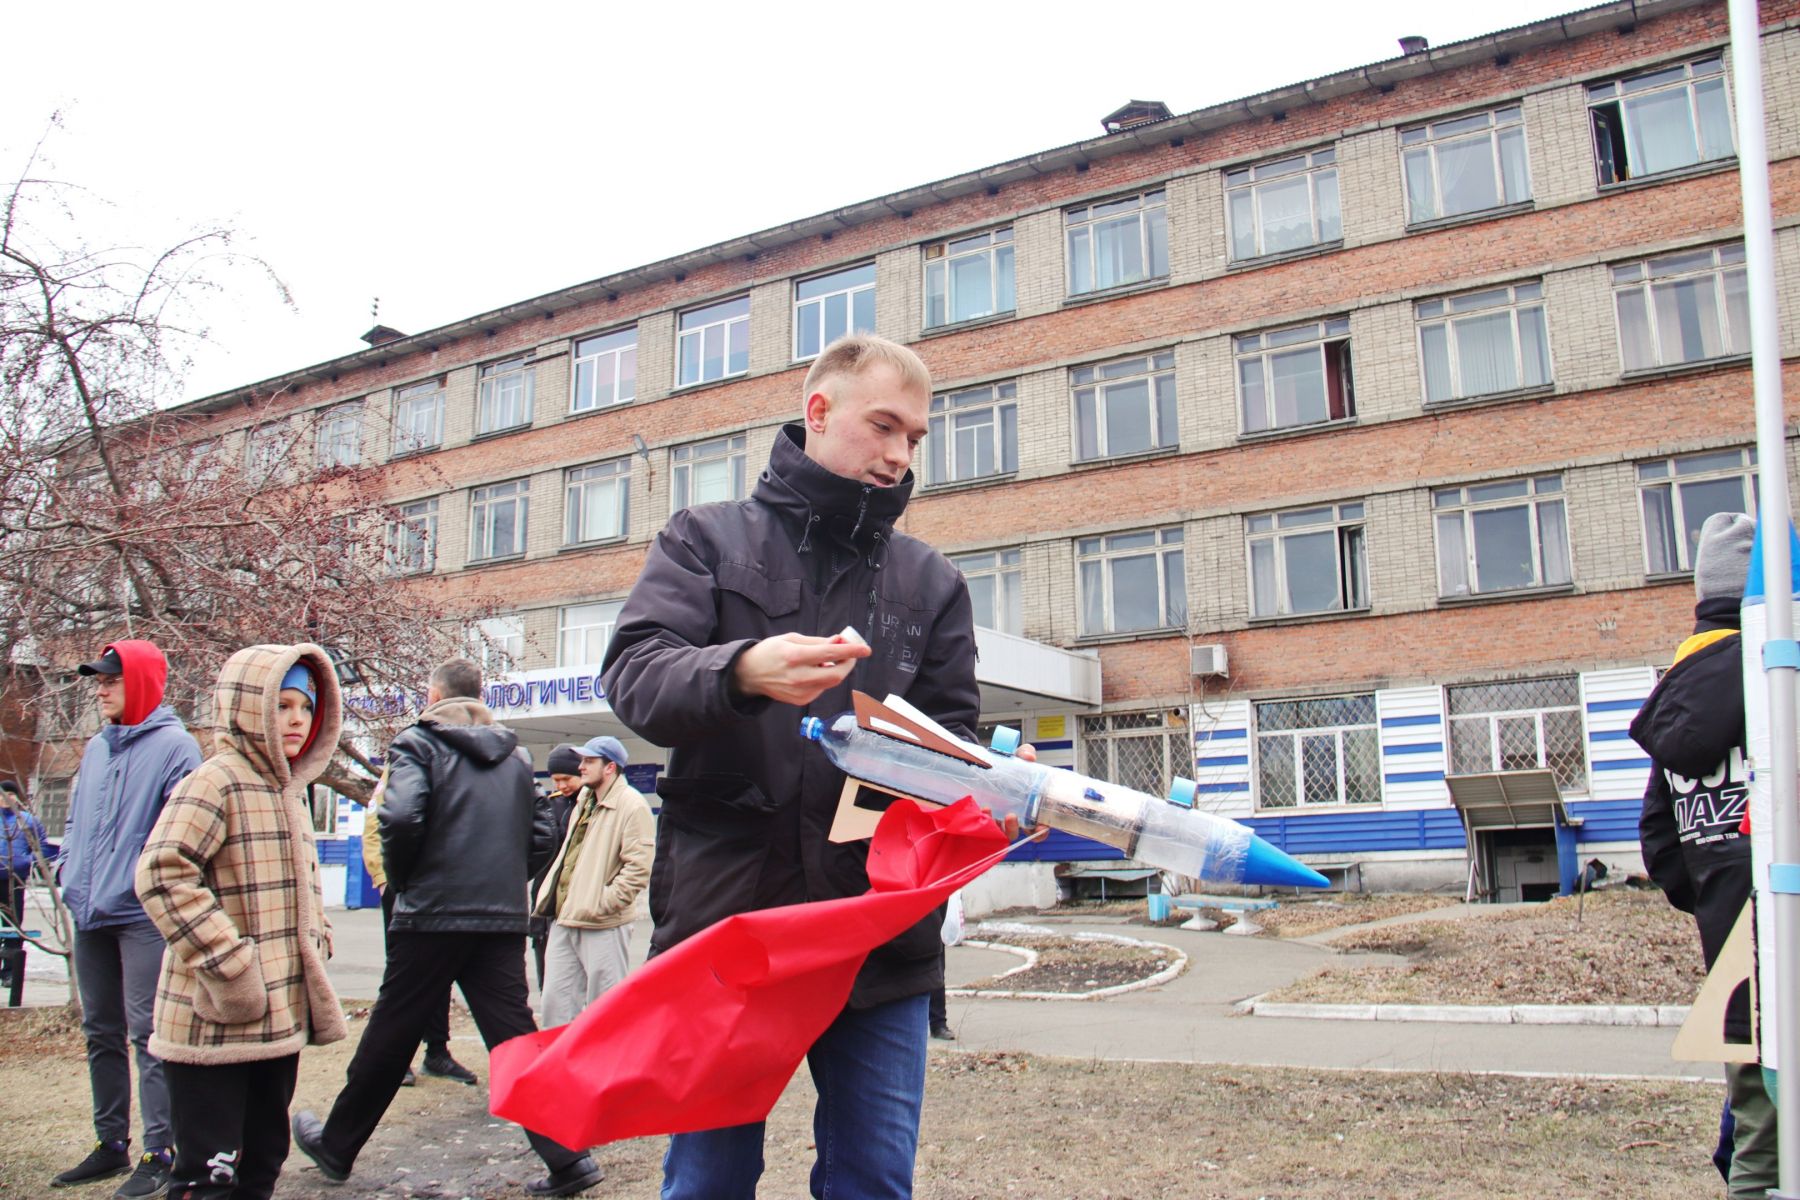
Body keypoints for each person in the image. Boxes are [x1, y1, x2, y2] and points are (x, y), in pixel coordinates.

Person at [600, 334, 988, 1199]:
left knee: (875, 1184)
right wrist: (737, 671)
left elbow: (950, 740)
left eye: (915, 439)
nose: (898, 454)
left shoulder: (931, 583)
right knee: (706, 1181)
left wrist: (988, 787)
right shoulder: (705, 539)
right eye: (883, 425)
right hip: (727, 932)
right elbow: (632, 676)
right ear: (819, 411)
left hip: (876, 946)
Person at [291, 658, 601, 1198]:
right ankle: (568, 1157)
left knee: (392, 1031)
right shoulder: (515, 756)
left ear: (434, 695)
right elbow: (541, 837)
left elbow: (401, 817)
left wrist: (406, 883)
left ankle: (337, 1145)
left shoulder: (416, 743)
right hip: (498, 919)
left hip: (430, 916)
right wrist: (505, 885)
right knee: (514, 1039)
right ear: (480, 698)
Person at [135, 646, 350, 1200]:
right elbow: (162, 874)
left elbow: (296, 886)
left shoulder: (290, 791)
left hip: (276, 1025)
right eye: (281, 705)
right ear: (245, 708)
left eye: (305, 706)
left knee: (262, 1167)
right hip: (216, 1021)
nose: (297, 719)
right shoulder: (216, 780)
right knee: (210, 1176)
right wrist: (229, 963)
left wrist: (316, 933)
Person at [1632, 511, 1774, 1198]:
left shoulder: (1676, 696)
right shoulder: (1775, 678)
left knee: (1756, 1132)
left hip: (1729, 953)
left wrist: (1716, 891)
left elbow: (1659, 841)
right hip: (1785, 940)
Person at [53, 640, 202, 1198]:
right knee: (100, 1032)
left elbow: (180, 838)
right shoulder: (95, 748)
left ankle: (159, 1151)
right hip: (88, 910)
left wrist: (144, 888)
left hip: (140, 917)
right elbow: (73, 820)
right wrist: (69, 869)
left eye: (110, 680)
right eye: (97, 679)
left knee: (150, 1035)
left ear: (138, 682)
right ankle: (110, 1144)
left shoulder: (177, 748)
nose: (99, 688)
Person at [358, 771, 478, 1087]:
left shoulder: (453, 766)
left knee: (440, 969)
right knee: (403, 975)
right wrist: (383, 879)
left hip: (441, 888)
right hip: (403, 887)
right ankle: (395, 1059)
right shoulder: (400, 766)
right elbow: (374, 826)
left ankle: (436, 1052)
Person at [532, 735, 653, 1028]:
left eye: (589, 761)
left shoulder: (632, 805)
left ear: (610, 767)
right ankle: (558, 1071)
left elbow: (638, 867)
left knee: (605, 1011)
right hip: (565, 917)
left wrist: (604, 903)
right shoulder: (585, 800)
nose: (581, 767)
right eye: (582, 760)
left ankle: (607, 1072)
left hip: (603, 922)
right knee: (555, 1005)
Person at [530, 744, 584, 990]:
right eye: (556, 780)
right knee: (550, 982)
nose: (561, 786)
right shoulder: (550, 807)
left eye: (566, 779)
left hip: (582, 902)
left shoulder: (592, 806)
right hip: (547, 904)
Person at [0, 780, 47, 984]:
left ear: (17, 798)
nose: (6, 799)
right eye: (3, 795)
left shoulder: (28, 821)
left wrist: (27, 860)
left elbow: (42, 848)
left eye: (11, 795)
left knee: (13, 925)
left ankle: (10, 971)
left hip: (14, 881)